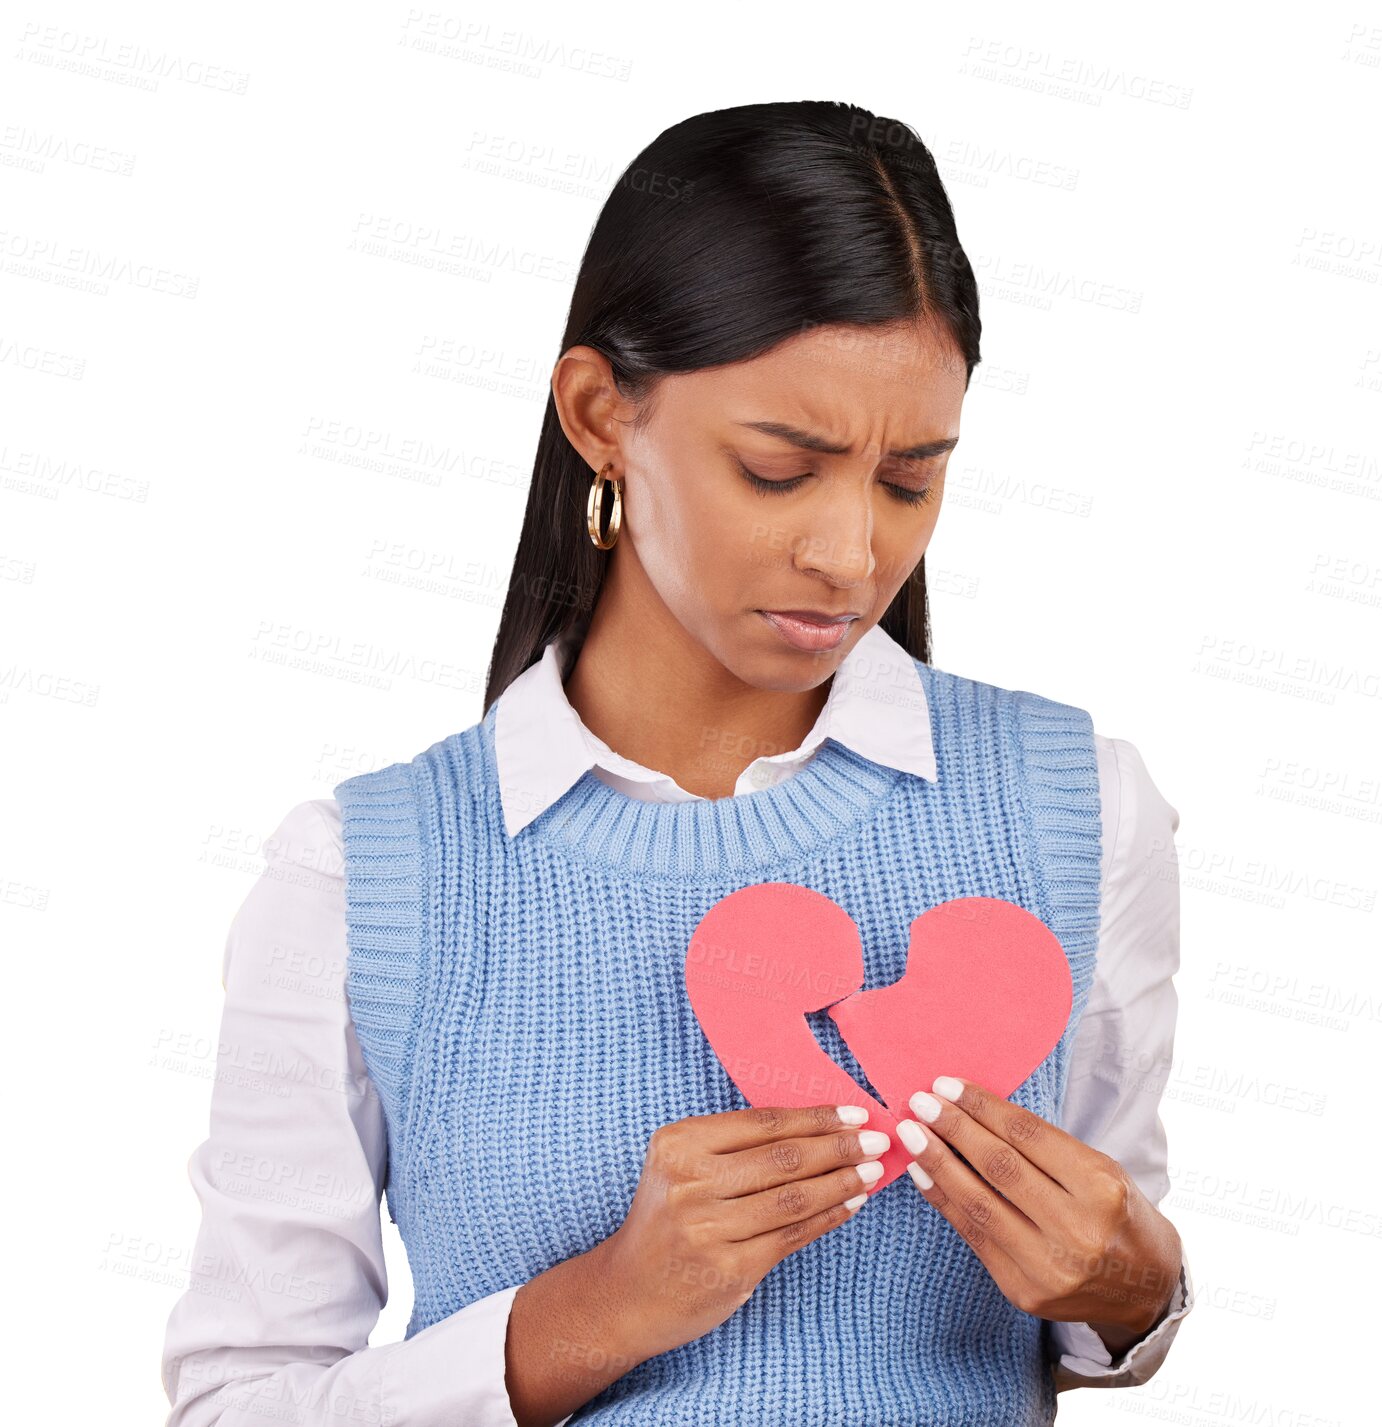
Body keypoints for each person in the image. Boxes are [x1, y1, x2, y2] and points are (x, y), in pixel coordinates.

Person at [162, 99, 1194, 1427]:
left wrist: (1133, 1288)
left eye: (907, 481)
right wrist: (599, 1312)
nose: (849, 554)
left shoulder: (1080, 810)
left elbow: (1106, 1295)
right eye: (778, 470)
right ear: (601, 414)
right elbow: (235, 1402)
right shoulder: (360, 878)